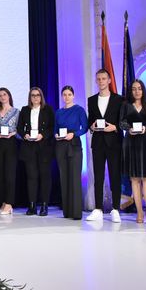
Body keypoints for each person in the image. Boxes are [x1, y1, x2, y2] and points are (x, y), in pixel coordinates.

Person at [86, 69, 125, 223]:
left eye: (103, 78)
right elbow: (90, 121)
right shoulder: (91, 100)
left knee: (115, 176)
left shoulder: (119, 99)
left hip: (114, 142)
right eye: (98, 79)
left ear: (109, 80)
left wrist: (115, 127)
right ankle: (98, 209)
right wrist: (92, 126)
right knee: (98, 176)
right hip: (98, 142)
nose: (101, 81)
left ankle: (115, 209)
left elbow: (123, 122)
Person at [119, 79, 146, 225]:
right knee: (135, 179)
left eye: (139, 88)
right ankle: (139, 212)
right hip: (131, 143)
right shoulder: (125, 105)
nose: (137, 91)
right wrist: (128, 129)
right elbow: (121, 123)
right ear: (131, 91)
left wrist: (145, 129)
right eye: (134, 89)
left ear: (143, 90)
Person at [17, 87, 55, 216]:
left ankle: (44, 205)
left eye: (38, 95)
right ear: (30, 97)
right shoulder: (24, 110)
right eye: (33, 95)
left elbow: (52, 127)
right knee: (31, 177)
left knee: (45, 177)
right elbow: (19, 127)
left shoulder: (48, 109)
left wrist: (43, 135)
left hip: (44, 147)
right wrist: (25, 135)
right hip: (29, 147)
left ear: (41, 96)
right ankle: (32, 205)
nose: (35, 97)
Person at [54, 85, 89, 220]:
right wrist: (56, 135)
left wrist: (74, 134)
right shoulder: (58, 112)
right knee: (64, 178)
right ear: (62, 96)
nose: (67, 97)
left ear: (73, 96)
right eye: (64, 95)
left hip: (74, 145)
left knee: (75, 178)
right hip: (61, 146)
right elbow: (55, 129)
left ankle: (76, 212)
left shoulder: (79, 110)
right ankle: (67, 211)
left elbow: (84, 128)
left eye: (69, 94)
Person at [0, 88, 20, 215]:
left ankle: (9, 204)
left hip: (10, 143)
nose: (2, 97)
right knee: (0, 174)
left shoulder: (16, 112)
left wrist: (13, 133)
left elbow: (20, 129)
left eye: (4, 94)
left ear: (9, 96)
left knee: (10, 174)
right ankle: (3, 202)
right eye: (0, 95)